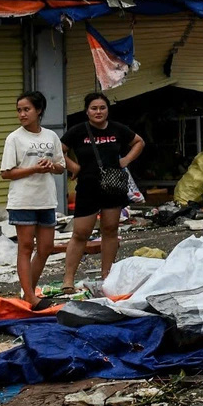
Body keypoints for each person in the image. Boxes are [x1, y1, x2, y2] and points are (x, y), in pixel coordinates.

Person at [60, 90, 143, 291]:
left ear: (107, 110)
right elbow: (58, 151)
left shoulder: (117, 129)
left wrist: (126, 160)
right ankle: (68, 279)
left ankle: (107, 275)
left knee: (110, 229)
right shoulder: (78, 131)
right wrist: (74, 168)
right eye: (94, 108)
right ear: (87, 111)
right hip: (88, 187)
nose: (98, 112)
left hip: (113, 187)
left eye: (102, 108)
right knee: (81, 233)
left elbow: (139, 142)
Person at [0, 90, 64, 306]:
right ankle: (30, 296)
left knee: (46, 247)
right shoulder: (14, 138)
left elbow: (61, 166)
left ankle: (28, 291)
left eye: (26, 109)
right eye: (19, 110)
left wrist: (50, 166)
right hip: (23, 200)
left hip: (46, 198)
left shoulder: (51, 136)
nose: (22, 114)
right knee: (26, 246)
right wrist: (33, 168)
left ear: (39, 111)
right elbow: (6, 173)